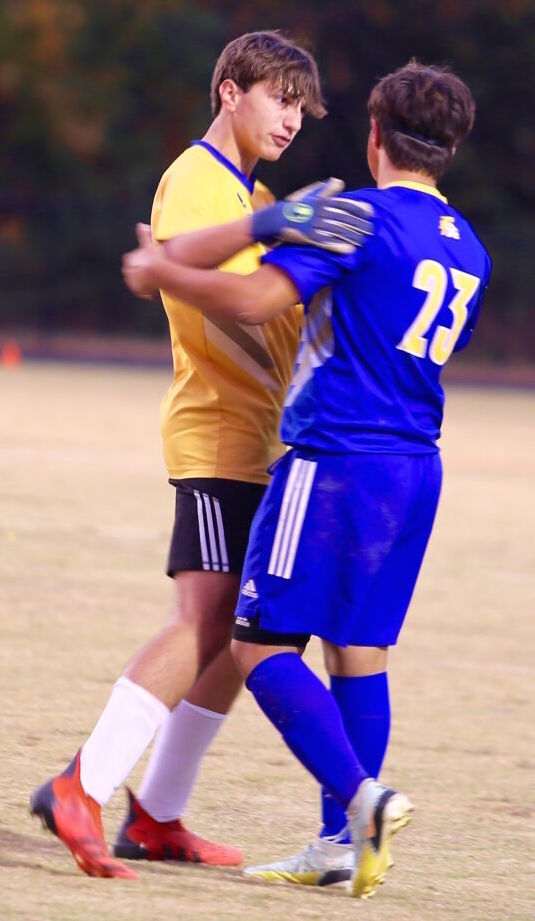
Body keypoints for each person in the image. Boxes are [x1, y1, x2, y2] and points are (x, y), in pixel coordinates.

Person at [121, 60, 492, 899]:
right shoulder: (469, 244)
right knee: (359, 652)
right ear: (452, 146)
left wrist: (162, 273)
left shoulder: (358, 216)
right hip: (414, 468)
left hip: (331, 462)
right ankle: (338, 842)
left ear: (373, 135)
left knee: (256, 642)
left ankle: (362, 802)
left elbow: (253, 302)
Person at [29, 30, 369, 880]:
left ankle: (159, 814)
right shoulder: (199, 180)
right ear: (228, 90)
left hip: (264, 442)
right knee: (206, 621)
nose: (290, 118)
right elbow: (189, 281)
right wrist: (277, 241)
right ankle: (84, 783)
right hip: (220, 428)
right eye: (276, 97)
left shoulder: (249, 190)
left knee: (242, 631)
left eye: (301, 106)